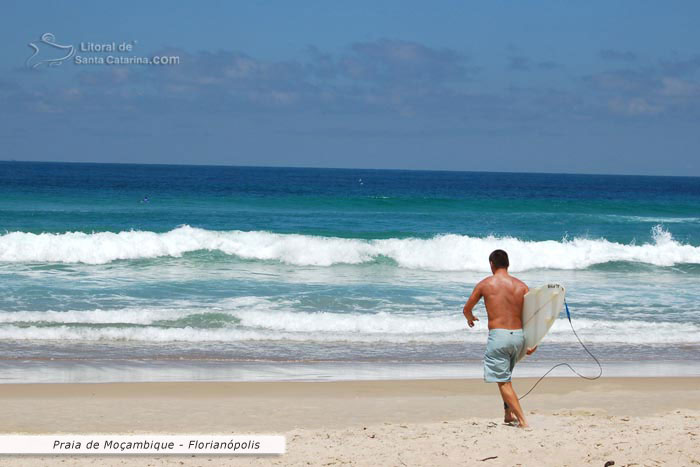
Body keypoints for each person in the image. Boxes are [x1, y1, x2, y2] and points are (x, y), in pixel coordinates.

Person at [462, 249, 536, 428]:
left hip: (499, 337)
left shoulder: (485, 284)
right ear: (508, 264)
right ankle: (508, 414)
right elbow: (533, 316)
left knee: (503, 381)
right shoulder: (522, 286)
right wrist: (533, 342)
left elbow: (467, 308)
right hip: (519, 337)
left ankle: (523, 420)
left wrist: (470, 318)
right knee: (505, 376)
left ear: (491, 264)